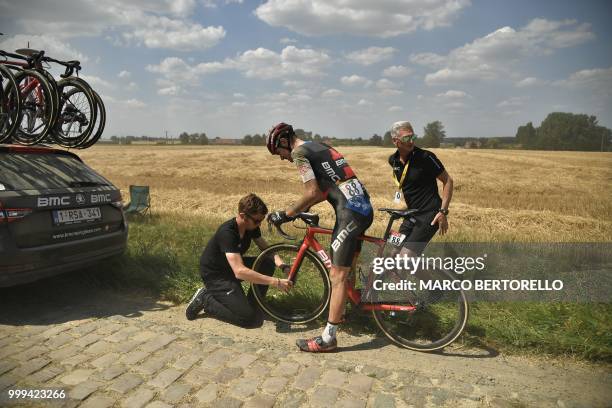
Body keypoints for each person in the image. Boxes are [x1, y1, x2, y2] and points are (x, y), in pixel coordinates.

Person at [266, 122, 373, 352]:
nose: (282, 158)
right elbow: (330, 186)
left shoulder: (299, 153)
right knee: (347, 268)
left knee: (337, 275)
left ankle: (329, 338)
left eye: (279, 152)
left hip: (350, 213)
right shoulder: (320, 146)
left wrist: (287, 214)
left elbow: (313, 192)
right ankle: (346, 314)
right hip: (363, 207)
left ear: (284, 142)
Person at [186, 193, 293, 327]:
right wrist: (275, 282)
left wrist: (283, 266)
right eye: (257, 221)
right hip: (216, 276)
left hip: (230, 268)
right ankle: (205, 299)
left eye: (261, 220)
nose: (259, 224)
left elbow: (266, 250)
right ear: (243, 216)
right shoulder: (227, 233)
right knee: (248, 320)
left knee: (267, 263)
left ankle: (254, 306)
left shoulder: (250, 226)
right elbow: (240, 272)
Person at [388, 121, 453, 256]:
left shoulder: (426, 157)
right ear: (395, 141)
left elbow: (448, 181)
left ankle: (432, 278)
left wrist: (443, 211)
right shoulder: (393, 160)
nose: (411, 141)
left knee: (406, 258)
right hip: (410, 215)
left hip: (430, 215)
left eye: (413, 137)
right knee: (392, 253)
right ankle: (398, 277)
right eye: (407, 138)